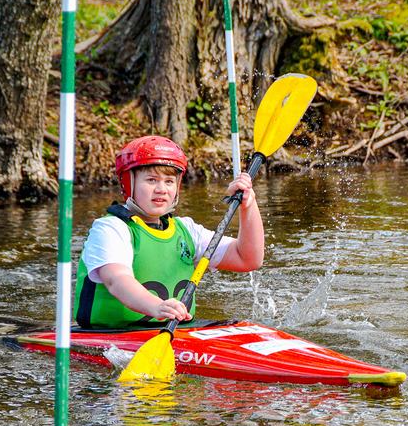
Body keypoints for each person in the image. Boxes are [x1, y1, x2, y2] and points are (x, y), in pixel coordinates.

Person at [73, 135, 264, 329]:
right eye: (151, 180)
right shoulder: (111, 229)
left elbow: (247, 259)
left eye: (169, 181)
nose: (161, 189)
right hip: (111, 335)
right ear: (128, 183)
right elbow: (117, 280)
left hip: (177, 332)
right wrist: (157, 306)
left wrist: (248, 206)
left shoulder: (187, 231)